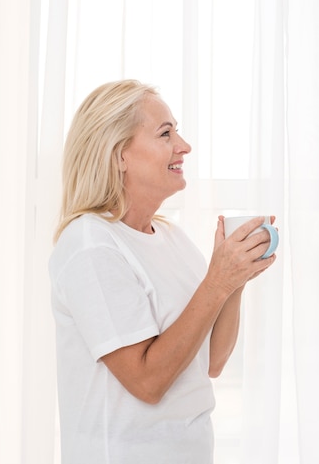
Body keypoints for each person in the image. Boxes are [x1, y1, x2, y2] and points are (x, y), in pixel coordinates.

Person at [49, 79, 276, 464]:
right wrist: (217, 279)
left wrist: (235, 280)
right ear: (119, 154)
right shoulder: (90, 245)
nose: (183, 146)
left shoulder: (171, 237)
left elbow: (212, 363)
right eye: (165, 133)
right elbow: (147, 382)